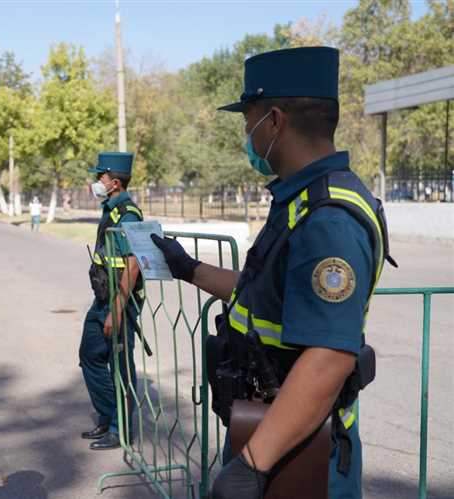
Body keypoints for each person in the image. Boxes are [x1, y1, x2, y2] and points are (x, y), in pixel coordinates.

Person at [152, 47, 393, 499]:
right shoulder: (297, 202)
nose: (246, 133)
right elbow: (258, 294)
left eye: (249, 119)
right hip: (272, 431)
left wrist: (251, 465)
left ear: (275, 121)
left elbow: (330, 357)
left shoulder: (327, 220)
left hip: (299, 454)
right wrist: (187, 268)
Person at [80, 152, 144, 451]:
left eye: (100, 177)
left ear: (114, 182)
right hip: (102, 300)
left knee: (120, 368)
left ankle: (121, 430)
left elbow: (132, 266)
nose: (96, 182)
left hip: (120, 304)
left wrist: (117, 312)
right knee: (90, 355)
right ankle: (108, 416)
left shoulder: (128, 214)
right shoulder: (111, 209)